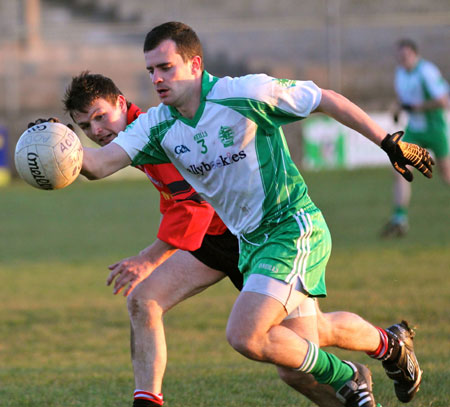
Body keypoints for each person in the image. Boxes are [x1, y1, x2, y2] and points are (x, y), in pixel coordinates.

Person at [70, 24, 433, 405]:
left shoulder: (244, 93)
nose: (158, 78)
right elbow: (96, 165)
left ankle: (349, 376)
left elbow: (323, 98)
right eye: (151, 71)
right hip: (248, 242)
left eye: (166, 67)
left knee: (250, 337)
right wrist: (55, 145)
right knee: (295, 360)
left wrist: (386, 142)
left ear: (194, 65)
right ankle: (387, 348)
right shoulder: (157, 125)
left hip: (291, 227)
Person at [382, 38, 449, 238]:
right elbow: (404, 99)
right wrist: (397, 107)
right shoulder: (401, 73)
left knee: (446, 175)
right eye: (399, 56)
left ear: (415, 54)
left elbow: (442, 101)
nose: (402, 59)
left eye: (406, 55)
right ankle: (399, 219)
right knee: (400, 169)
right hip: (414, 130)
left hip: (434, 128)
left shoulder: (427, 72)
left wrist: (417, 107)